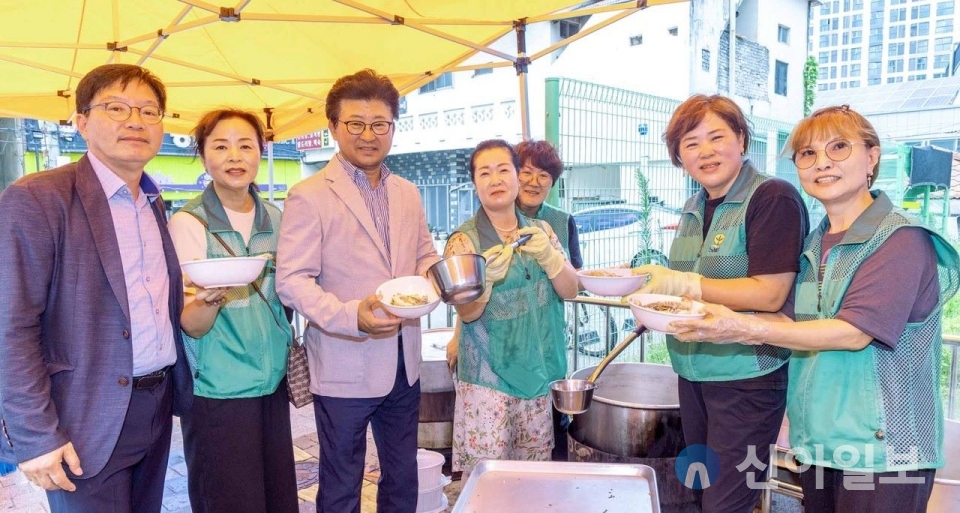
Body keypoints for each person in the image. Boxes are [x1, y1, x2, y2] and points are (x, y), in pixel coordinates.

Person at [671, 105, 959, 513]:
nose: (822, 162)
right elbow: (788, 318)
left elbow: (853, 331)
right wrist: (683, 312)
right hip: (821, 442)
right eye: (807, 154)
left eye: (839, 148)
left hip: (884, 450)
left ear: (872, 156)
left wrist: (743, 329)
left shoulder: (900, 238)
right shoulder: (815, 243)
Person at [0, 64, 191, 512]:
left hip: (156, 405)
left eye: (149, 111)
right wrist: (35, 435)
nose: (136, 121)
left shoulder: (152, 201)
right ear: (82, 121)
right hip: (82, 416)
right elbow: (10, 324)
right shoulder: (37, 198)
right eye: (116, 108)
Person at [631, 94, 810, 512]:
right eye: (691, 143)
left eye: (717, 137)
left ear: (742, 139)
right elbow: (688, 288)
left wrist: (682, 284)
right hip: (693, 374)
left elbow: (770, 293)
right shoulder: (695, 205)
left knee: (726, 503)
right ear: (678, 154)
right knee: (699, 490)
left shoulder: (772, 198)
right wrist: (654, 304)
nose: (705, 152)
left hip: (746, 377)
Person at [275, 69, 440, 513]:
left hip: (405, 364)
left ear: (392, 127)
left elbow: (424, 255)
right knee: (342, 482)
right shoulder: (308, 195)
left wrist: (443, 276)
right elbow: (290, 280)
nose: (368, 135)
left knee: (402, 477)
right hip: (343, 363)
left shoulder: (407, 192)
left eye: (380, 124)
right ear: (333, 127)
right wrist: (353, 316)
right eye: (355, 123)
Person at [167, 109, 298, 512]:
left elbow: (289, 295)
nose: (234, 156)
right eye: (220, 146)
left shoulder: (277, 219)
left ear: (261, 151)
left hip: (273, 383)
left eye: (245, 145)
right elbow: (191, 324)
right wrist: (209, 300)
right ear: (204, 156)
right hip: (217, 391)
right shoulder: (189, 223)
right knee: (230, 502)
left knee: (276, 499)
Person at [445, 139, 580, 476]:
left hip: (537, 376)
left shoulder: (543, 230)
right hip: (488, 382)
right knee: (489, 483)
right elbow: (468, 313)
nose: (496, 180)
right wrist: (485, 282)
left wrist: (549, 258)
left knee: (532, 480)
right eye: (485, 173)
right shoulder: (463, 242)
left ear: (517, 178)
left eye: (504, 170)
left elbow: (571, 289)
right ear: (475, 184)